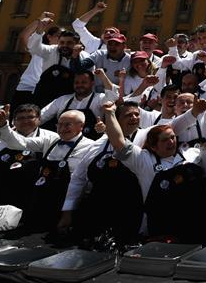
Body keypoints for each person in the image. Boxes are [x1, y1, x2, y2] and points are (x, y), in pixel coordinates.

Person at [102, 101, 206, 243]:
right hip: (160, 229)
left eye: (172, 137)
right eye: (165, 140)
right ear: (153, 146)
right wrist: (109, 113)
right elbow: (118, 142)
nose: (171, 142)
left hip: (194, 226)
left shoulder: (192, 154)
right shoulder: (143, 160)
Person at [0, 105, 95, 233]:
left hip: (66, 203)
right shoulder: (50, 140)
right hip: (41, 200)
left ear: (81, 126)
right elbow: (20, 143)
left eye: (68, 125)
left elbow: (83, 182)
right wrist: (2, 126)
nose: (62, 129)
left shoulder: (91, 147)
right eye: (59, 124)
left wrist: (68, 211)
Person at [61, 101, 150, 243]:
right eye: (128, 115)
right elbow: (78, 179)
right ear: (115, 120)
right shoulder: (96, 146)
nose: (134, 118)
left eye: (136, 114)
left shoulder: (146, 139)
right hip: (96, 212)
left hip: (128, 214)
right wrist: (67, 212)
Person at [39, 69, 118, 139]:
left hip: (90, 144)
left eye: (84, 82)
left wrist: (103, 77)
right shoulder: (63, 100)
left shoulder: (100, 98)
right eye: (76, 82)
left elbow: (113, 96)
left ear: (92, 83)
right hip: (63, 143)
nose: (80, 85)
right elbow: (42, 116)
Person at [27, 13, 86, 106]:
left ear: (78, 43)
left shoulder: (85, 57)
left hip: (69, 100)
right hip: (44, 96)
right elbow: (32, 48)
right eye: (62, 42)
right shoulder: (51, 51)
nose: (64, 46)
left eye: (69, 43)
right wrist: (39, 31)